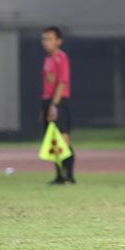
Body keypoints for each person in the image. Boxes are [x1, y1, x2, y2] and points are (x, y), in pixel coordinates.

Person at [40, 26, 75, 184]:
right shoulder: (47, 59)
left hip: (59, 101)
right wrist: (45, 107)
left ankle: (69, 176)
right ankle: (59, 176)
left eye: (50, 39)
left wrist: (54, 105)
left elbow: (62, 82)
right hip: (48, 101)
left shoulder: (61, 57)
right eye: (44, 39)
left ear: (58, 41)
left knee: (64, 139)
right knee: (53, 141)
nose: (46, 42)